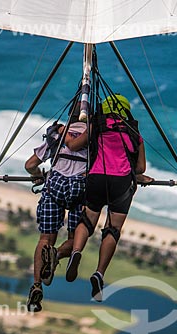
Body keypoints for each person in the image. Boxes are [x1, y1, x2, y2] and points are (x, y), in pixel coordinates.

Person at [64, 93, 153, 302]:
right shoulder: (134, 133)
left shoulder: (98, 125)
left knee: (87, 220)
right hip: (121, 183)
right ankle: (99, 273)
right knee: (112, 229)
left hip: (96, 178)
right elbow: (140, 167)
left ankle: (76, 251)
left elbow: (74, 146)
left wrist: (66, 136)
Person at [24, 106, 88, 312]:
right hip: (80, 187)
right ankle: (57, 255)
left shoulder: (58, 134)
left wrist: (37, 175)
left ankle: (36, 284)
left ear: (70, 115)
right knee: (75, 238)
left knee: (45, 238)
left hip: (56, 185)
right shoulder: (94, 137)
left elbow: (30, 164)